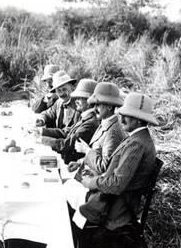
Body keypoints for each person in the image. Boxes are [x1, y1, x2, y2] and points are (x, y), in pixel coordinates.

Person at [65, 92, 158, 231]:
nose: (122, 118)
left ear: (139, 120)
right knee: (69, 187)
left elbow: (117, 184)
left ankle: (77, 240)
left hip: (115, 207)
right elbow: (114, 169)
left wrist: (92, 183)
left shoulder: (137, 144)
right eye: (122, 114)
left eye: (128, 115)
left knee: (66, 191)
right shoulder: (137, 138)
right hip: (113, 200)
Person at [67, 81, 126, 175]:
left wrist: (86, 150)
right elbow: (98, 155)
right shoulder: (104, 123)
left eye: (98, 104)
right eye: (94, 104)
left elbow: (104, 167)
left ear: (110, 106)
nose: (94, 109)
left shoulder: (113, 132)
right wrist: (80, 163)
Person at [40, 78, 99, 163]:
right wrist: (41, 131)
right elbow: (67, 132)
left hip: (75, 164)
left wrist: (41, 140)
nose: (76, 101)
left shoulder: (91, 122)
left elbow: (67, 145)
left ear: (90, 101)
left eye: (80, 98)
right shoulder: (86, 117)